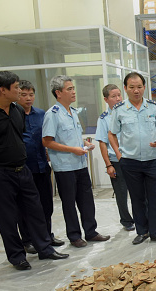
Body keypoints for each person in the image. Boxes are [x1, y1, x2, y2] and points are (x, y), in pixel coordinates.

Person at [0, 71, 69, 270]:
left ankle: (44, 249)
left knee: (35, 211)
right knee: (7, 218)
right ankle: (17, 257)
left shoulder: (16, 110)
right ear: (2, 90)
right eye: (16, 88)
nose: (20, 91)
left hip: (23, 170)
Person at [42, 75, 110, 248]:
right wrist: (73, 149)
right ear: (58, 93)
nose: (73, 92)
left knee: (86, 200)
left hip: (80, 164)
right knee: (69, 203)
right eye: (69, 89)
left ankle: (91, 231)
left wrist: (84, 144)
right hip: (64, 167)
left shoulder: (72, 112)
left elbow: (71, 138)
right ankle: (74, 235)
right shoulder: (53, 114)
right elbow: (47, 141)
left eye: (73, 88)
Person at [109, 73, 156, 245]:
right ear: (125, 88)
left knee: (154, 198)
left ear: (144, 87)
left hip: (152, 161)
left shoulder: (152, 107)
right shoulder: (119, 110)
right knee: (137, 198)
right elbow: (112, 134)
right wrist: (119, 154)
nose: (136, 91)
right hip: (130, 162)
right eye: (132, 87)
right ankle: (142, 232)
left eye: (139, 87)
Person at [16, 80, 64, 254]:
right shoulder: (13, 114)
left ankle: (46, 235)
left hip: (42, 166)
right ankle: (27, 239)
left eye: (31, 94)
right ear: (17, 95)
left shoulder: (41, 114)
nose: (28, 98)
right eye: (23, 95)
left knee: (46, 204)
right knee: (25, 206)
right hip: (23, 168)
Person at [96, 84, 135, 232]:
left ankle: (149, 215)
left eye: (119, 95)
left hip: (133, 158)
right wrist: (108, 165)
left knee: (142, 190)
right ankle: (126, 220)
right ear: (106, 99)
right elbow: (102, 143)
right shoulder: (104, 119)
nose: (118, 98)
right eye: (114, 96)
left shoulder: (128, 112)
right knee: (121, 192)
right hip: (116, 161)